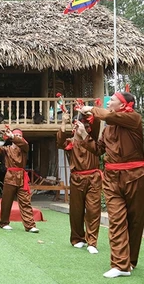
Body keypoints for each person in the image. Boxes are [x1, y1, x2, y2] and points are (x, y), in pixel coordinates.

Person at [77, 92, 144, 278]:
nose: (109, 102)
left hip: (135, 176)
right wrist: (84, 136)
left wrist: (90, 108)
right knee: (116, 220)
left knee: (136, 221)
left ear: (123, 105)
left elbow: (108, 115)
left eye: (112, 100)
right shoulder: (107, 129)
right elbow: (98, 150)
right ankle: (120, 264)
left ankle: (130, 260)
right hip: (112, 177)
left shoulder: (134, 118)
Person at [57, 112, 101, 254]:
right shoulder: (70, 143)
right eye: (76, 127)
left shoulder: (91, 140)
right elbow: (59, 142)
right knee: (76, 210)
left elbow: (96, 123)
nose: (79, 129)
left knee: (93, 210)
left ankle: (92, 242)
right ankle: (77, 239)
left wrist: (87, 112)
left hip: (93, 178)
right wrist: (63, 122)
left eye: (84, 127)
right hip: (76, 178)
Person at [0, 127, 39, 233]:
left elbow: (24, 144)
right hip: (10, 176)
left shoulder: (24, 148)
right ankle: (4, 223)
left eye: (20, 136)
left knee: (25, 201)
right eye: (17, 135)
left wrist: (12, 136)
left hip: (22, 176)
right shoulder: (6, 149)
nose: (18, 137)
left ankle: (30, 225)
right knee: (6, 201)